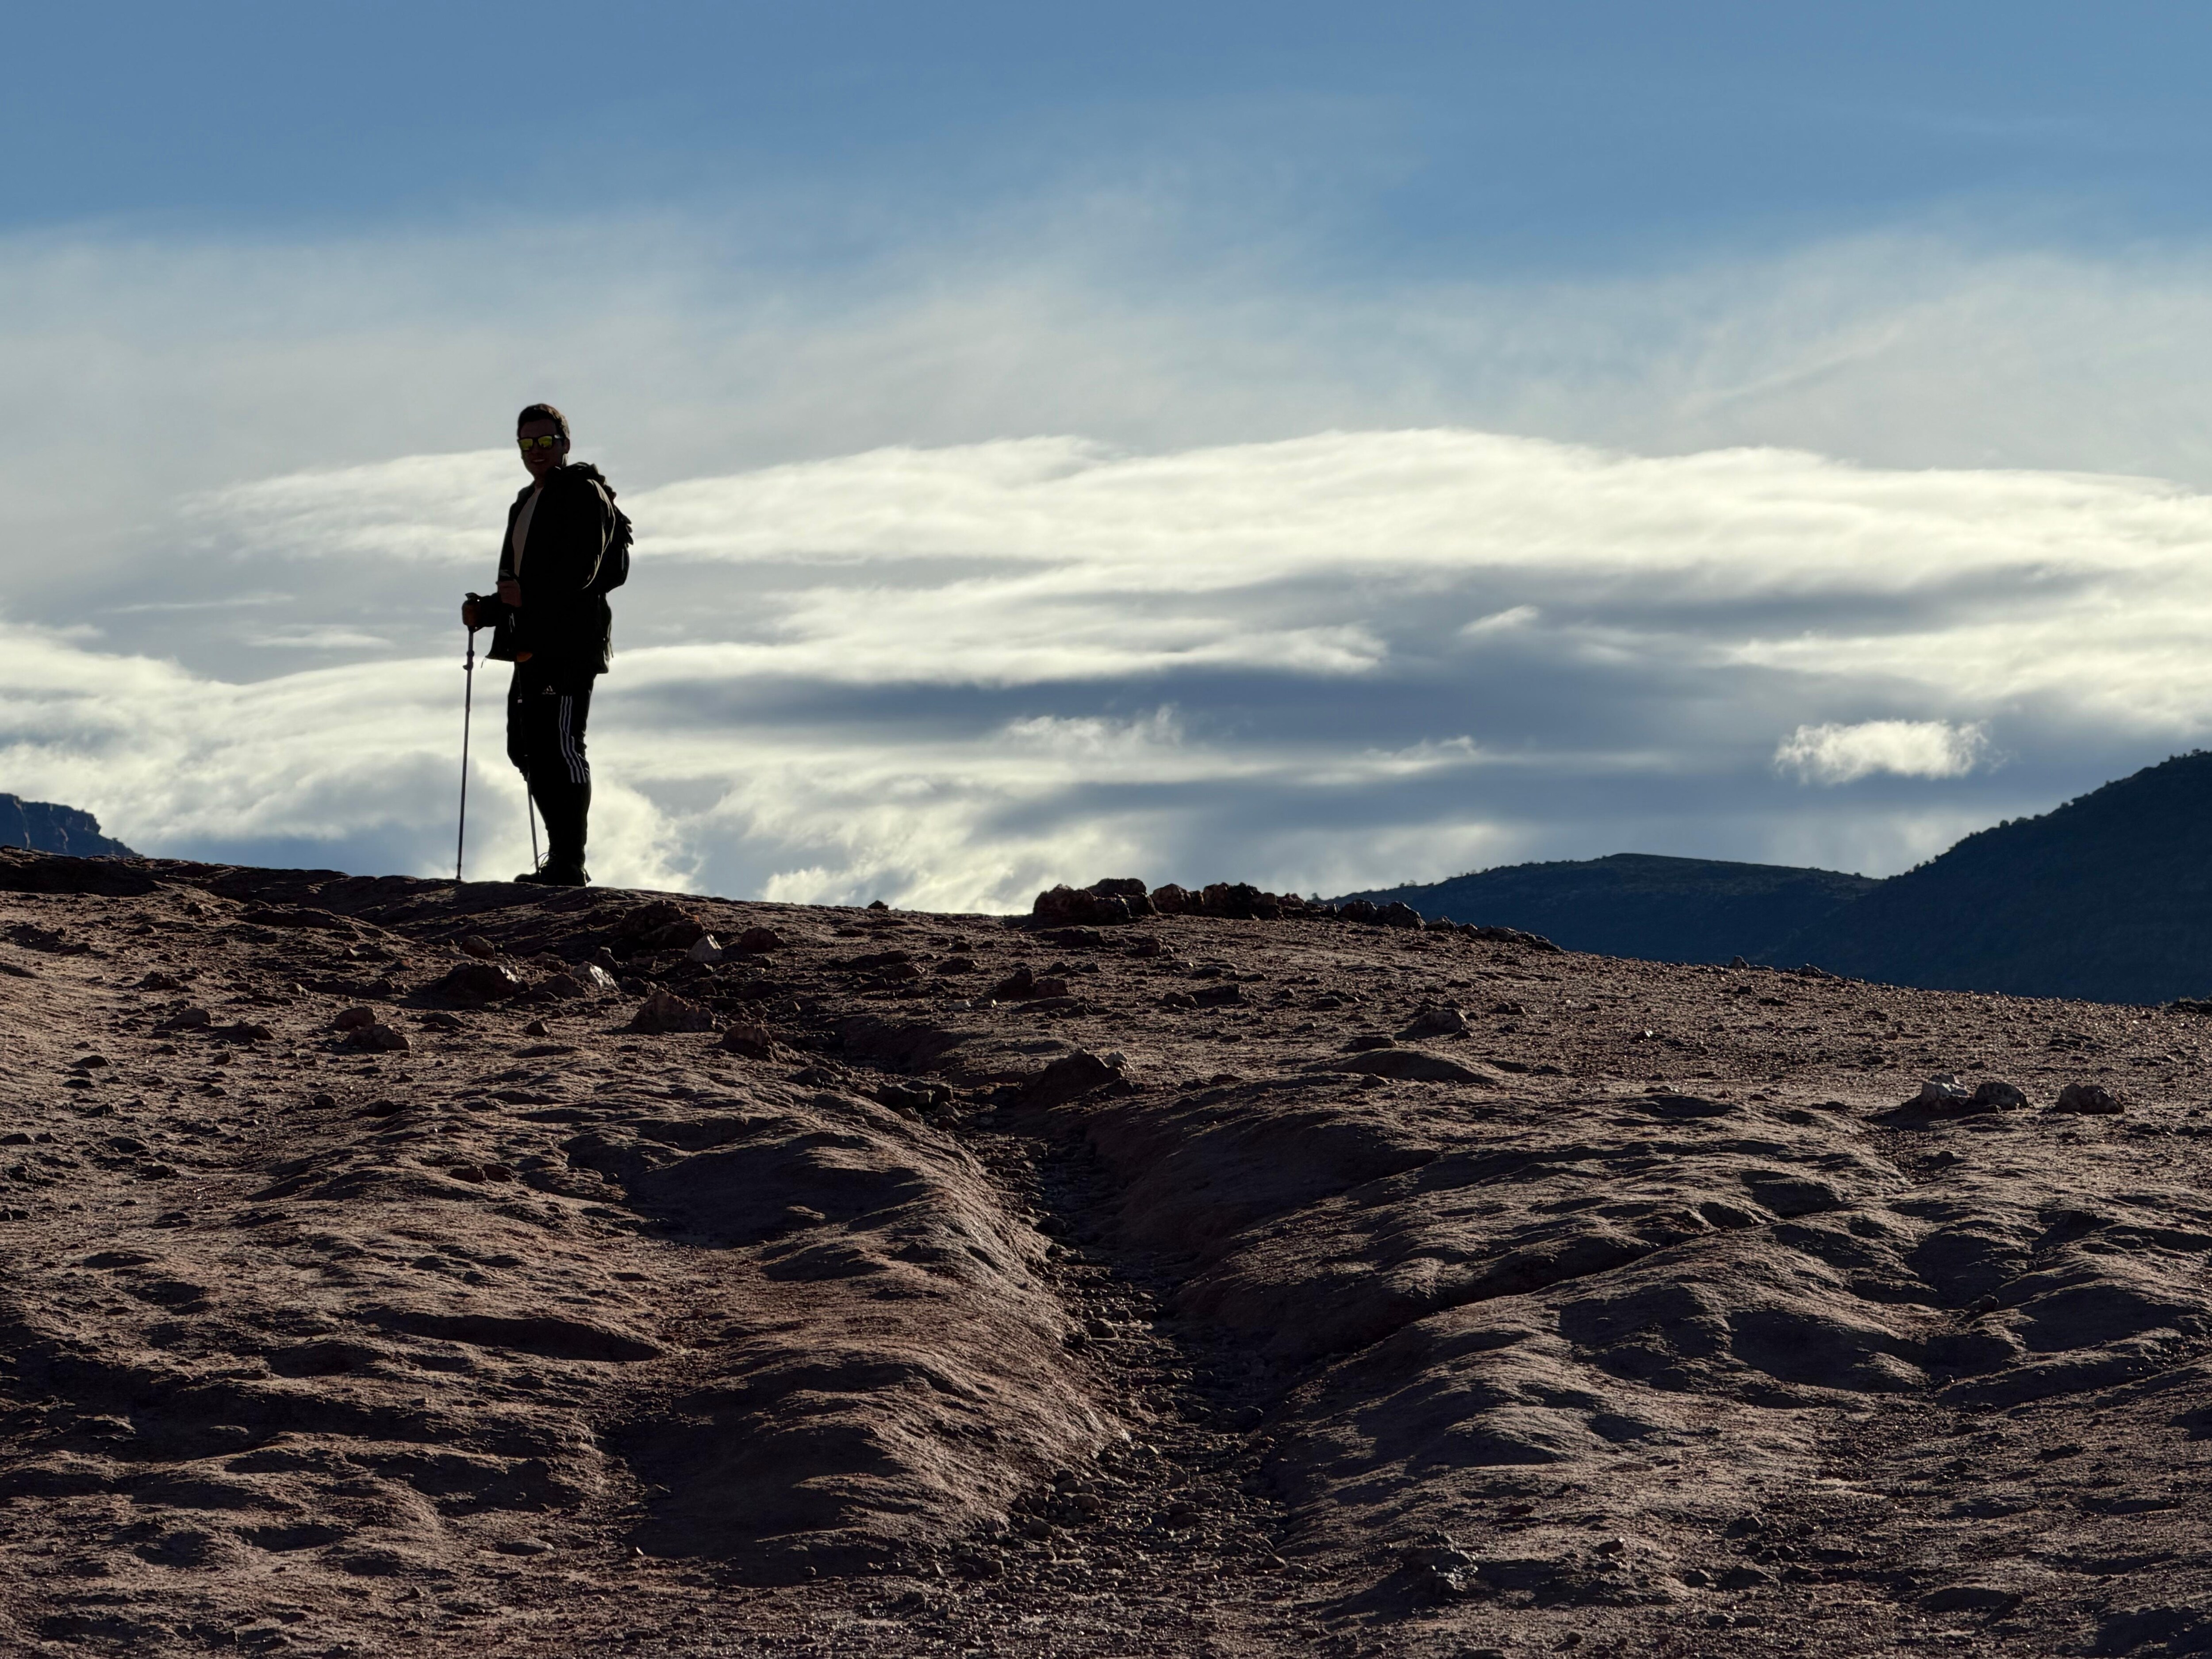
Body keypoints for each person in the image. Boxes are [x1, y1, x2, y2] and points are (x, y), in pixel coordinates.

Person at [461, 403, 630, 886]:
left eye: (545, 441)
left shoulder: (582, 492)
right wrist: (489, 611)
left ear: (565, 444)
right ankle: (561, 858)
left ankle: (568, 863)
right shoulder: (525, 501)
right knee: (526, 748)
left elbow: (585, 571)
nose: (535, 451)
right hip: (531, 643)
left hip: (569, 643)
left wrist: (525, 597)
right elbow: (520, 584)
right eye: (526, 443)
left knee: (559, 745)